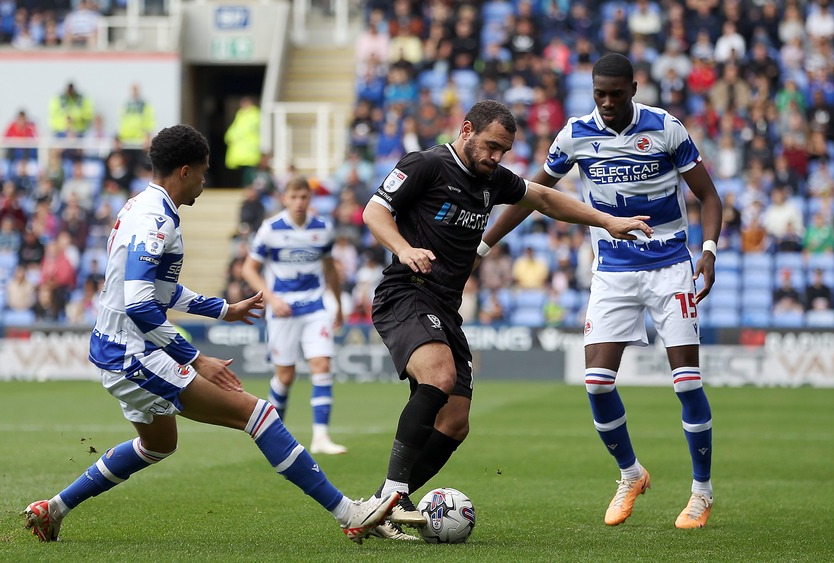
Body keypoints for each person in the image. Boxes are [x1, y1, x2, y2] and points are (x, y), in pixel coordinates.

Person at [22, 124, 399, 544]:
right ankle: (350, 513)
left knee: (158, 445)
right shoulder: (155, 220)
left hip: (117, 349)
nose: (204, 182)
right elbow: (139, 303)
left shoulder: (141, 206)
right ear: (184, 171)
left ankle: (53, 508)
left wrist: (224, 309)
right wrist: (195, 358)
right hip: (134, 354)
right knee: (258, 415)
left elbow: (160, 291)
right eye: (203, 173)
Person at [362, 99, 651, 540]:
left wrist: (606, 220)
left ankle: (380, 508)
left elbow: (544, 197)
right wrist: (403, 249)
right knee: (437, 378)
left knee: (455, 422)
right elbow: (374, 212)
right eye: (491, 146)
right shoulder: (425, 165)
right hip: (406, 292)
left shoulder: (491, 179)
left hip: (445, 306)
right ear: (466, 130)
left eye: (503, 151)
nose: (496, 158)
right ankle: (396, 496)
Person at [481, 54, 724, 529]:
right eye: (600, 94)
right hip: (613, 271)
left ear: (633, 88)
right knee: (596, 384)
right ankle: (631, 474)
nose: (608, 102)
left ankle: (701, 492)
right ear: (592, 92)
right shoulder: (575, 134)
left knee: (687, 383)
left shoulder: (666, 129)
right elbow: (532, 194)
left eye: (617, 93)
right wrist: (485, 245)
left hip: (670, 266)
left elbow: (709, 196)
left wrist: (709, 252)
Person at [240, 176, 348, 456]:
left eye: (304, 197)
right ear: (284, 198)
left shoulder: (323, 228)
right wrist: (272, 299)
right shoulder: (271, 229)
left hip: (315, 307)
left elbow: (330, 269)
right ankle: (272, 435)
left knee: (322, 366)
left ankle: (321, 437)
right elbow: (249, 269)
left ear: (310, 199)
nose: (299, 202)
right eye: (294, 197)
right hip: (283, 310)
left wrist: (337, 304)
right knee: (285, 376)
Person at [224, 96, 261, 186]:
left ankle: (248, 187)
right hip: (240, 150)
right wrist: (229, 137)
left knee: (249, 172)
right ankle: (245, 187)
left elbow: (244, 130)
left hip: (249, 149)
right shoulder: (240, 114)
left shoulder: (255, 115)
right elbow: (235, 129)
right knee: (242, 172)